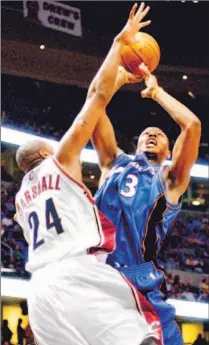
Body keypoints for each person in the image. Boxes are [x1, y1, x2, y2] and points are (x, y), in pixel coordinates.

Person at [14, 4, 163, 345]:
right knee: (144, 338)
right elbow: (94, 97)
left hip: (39, 295)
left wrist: (117, 80)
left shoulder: (21, 201)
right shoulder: (60, 160)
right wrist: (117, 44)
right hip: (77, 275)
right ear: (43, 154)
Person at [92, 60, 201, 344]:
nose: (152, 133)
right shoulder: (111, 163)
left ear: (168, 151)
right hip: (98, 275)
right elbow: (94, 106)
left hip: (141, 280)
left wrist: (156, 92)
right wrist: (116, 80)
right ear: (136, 143)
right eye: (146, 133)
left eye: (160, 134)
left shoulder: (171, 179)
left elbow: (192, 125)